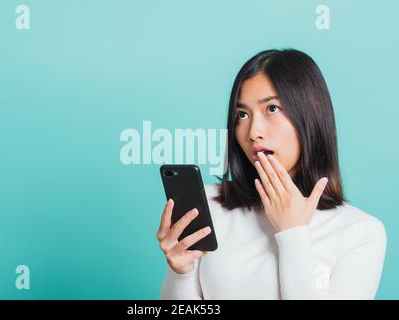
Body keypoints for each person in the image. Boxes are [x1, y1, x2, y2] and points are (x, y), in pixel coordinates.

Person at [156, 49, 387, 299]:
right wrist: (180, 272)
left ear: (309, 115)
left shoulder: (361, 232)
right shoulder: (210, 208)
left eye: (272, 108)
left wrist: (292, 233)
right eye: (242, 115)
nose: (253, 131)